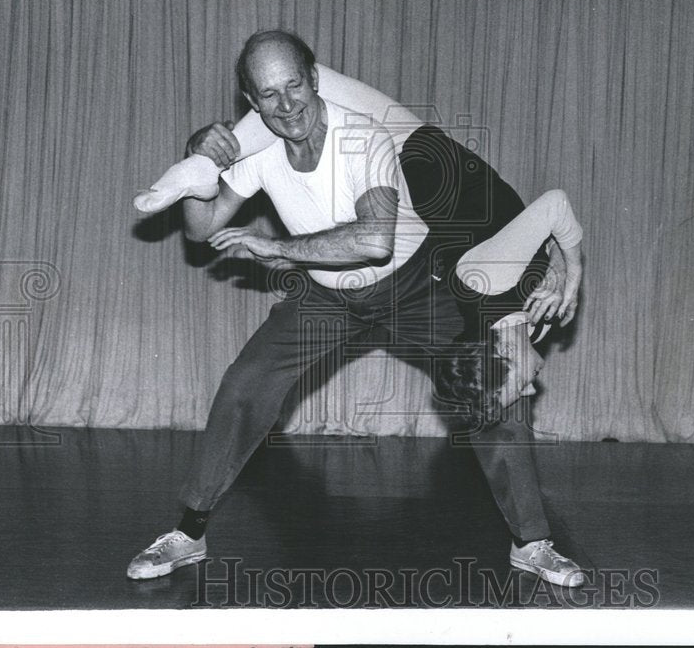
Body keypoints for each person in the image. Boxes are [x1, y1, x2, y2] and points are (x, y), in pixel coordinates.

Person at [128, 31, 584, 588]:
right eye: (269, 95)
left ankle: (532, 543)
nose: (287, 105)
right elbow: (201, 231)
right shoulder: (263, 151)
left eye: (295, 86)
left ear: (315, 80)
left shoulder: (362, 138)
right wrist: (199, 167)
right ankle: (188, 533)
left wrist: (275, 248)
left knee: (492, 388)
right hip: (325, 297)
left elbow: (374, 241)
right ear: (251, 103)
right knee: (245, 386)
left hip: (416, 284)